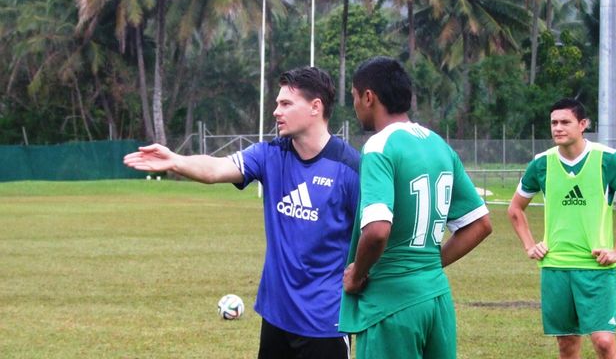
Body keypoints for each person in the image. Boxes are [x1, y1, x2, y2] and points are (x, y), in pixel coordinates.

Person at [123, 66, 359, 359]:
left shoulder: (350, 168)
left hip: (325, 325)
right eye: (276, 103)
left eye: (285, 103)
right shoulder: (270, 154)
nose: (276, 111)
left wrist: (359, 276)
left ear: (315, 107)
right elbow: (215, 169)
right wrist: (175, 160)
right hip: (276, 319)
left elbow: (374, 234)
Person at [339, 56, 493, 359]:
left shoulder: (379, 146)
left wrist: (357, 275)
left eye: (354, 96)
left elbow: (377, 231)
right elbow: (480, 224)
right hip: (436, 299)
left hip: (391, 304)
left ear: (368, 97)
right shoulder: (439, 145)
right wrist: (430, 264)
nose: (355, 104)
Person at [507, 98, 616, 359]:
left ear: (583, 124)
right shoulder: (541, 163)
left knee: (604, 341)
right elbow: (515, 209)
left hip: (596, 268)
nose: (558, 128)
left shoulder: (607, 160)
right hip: (556, 268)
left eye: (565, 122)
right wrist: (530, 245)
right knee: (567, 344)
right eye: (554, 123)